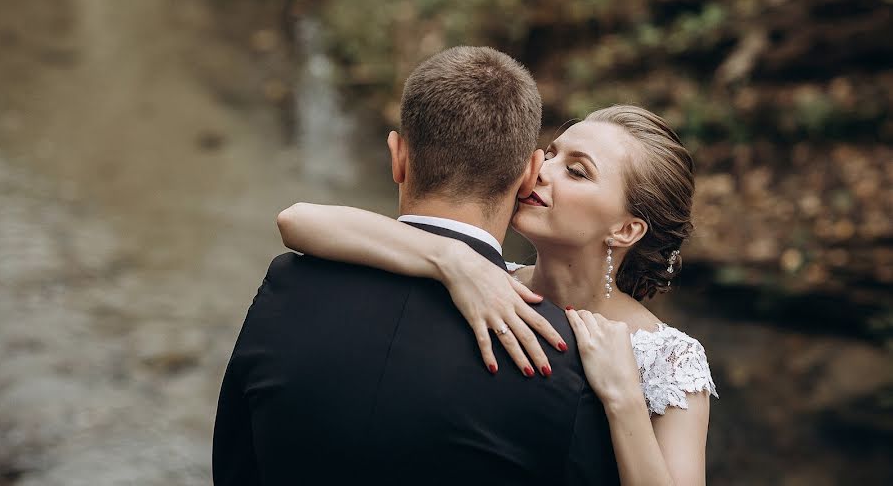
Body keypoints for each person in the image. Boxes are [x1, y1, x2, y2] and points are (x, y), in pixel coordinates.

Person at [212, 46, 620, 485]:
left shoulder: (287, 285)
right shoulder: (559, 354)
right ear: (529, 173)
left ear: (397, 156)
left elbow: (235, 464)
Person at [277, 105, 718, 485]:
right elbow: (299, 222)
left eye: (577, 171)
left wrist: (623, 397)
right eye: (552, 153)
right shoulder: (480, 275)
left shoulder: (670, 360)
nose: (541, 170)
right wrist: (451, 259)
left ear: (625, 230)